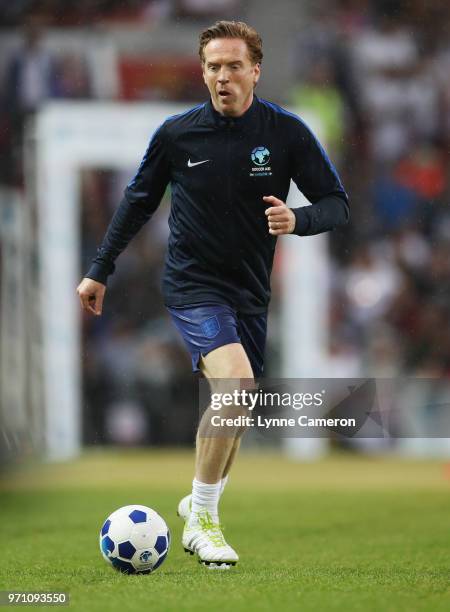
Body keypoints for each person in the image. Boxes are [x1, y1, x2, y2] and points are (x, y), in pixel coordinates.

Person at [77, 20, 349, 569]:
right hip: (192, 284)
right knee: (237, 382)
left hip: (249, 289)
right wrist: (99, 269)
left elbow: (336, 204)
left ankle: (199, 500)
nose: (221, 77)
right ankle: (203, 520)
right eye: (212, 67)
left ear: (255, 71)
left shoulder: (287, 133)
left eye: (232, 66)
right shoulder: (178, 135)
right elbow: (136, 203)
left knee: (238, 403)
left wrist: (297, 218)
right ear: (203, 72)